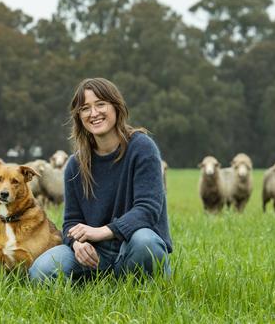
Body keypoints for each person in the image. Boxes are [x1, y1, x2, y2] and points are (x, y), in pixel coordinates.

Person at [29, 78, 172, 283]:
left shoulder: (142, 148)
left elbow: (147, 210)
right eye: (85, 108)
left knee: (145, 241)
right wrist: (77, 244)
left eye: (100, 104)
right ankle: (97, 284)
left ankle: (138, 283)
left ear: (116, 106)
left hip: (131, 245)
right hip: (96, 254)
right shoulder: (75, 165)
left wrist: (101, 232)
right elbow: (71, 221)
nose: (94, 113)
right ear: (79, 117)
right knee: (41, 270)